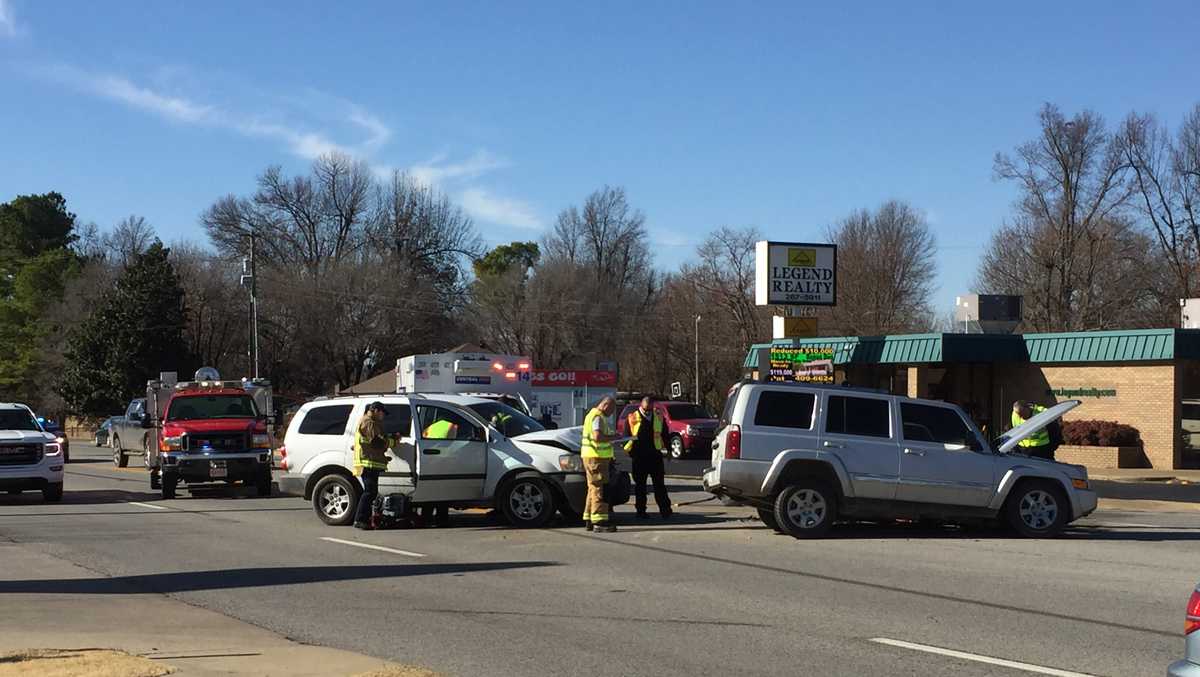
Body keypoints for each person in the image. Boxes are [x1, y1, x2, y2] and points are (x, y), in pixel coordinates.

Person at [624, 397, 673, 520]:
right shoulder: (632, 417)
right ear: (641, 405)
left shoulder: (658, 416)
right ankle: (641, 511)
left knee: (659, 485)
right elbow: (626, 438)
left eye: (650, 410)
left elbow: (665, 434)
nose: (648, 412)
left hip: (655, 455)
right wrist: (631, 453)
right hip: (639, 457)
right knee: (640, 486)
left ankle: (665, 510)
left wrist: (669, 451)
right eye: (645, 410)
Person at [353, 402, 395, 530]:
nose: (383, 416)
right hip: (368, 463)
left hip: (369, 461)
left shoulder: (370, 422)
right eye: (382, 413)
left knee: (371, 492)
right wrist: (392, 442)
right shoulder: (369, 422)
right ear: (375, 410)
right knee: (369, 492)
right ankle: (360, 520)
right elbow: (376, 442)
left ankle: (364, 519)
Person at [581, 396, 620, 533]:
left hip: (590, 456)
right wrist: (614, 438)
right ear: (605, 405)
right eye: (611, 409)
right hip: (596, 458)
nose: (611, 413)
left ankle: (588, 518)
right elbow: (598, 437)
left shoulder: (591, 415)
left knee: (592, 488)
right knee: (600, 489)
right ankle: (599, 521)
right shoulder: (597, 417)